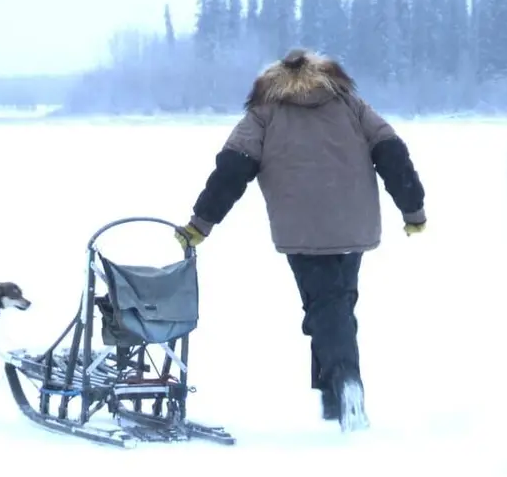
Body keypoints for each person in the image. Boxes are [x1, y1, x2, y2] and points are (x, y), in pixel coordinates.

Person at [175, 48, 427, 433]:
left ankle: (345, 383)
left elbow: (232, 170)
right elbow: (392, 153)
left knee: (325, 306)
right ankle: (332, 395)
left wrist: (201, 223)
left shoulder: (264, 113)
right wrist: (413, 209)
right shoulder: (352, 105)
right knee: (337, 302)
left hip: (300, 228)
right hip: (352, 224)